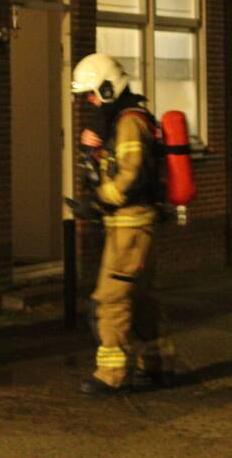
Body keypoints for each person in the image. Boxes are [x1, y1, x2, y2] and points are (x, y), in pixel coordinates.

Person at [69, 53, 174, 396]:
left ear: (108, 87)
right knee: (141, 298)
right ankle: (156, 364)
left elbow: (130, 174)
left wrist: (98, 200)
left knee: (110, 299)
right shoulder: (131, 118)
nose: (90, 101)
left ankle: (111, 375)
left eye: (92, 93)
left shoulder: (129, 122)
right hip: (137, 226)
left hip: (129, 227)